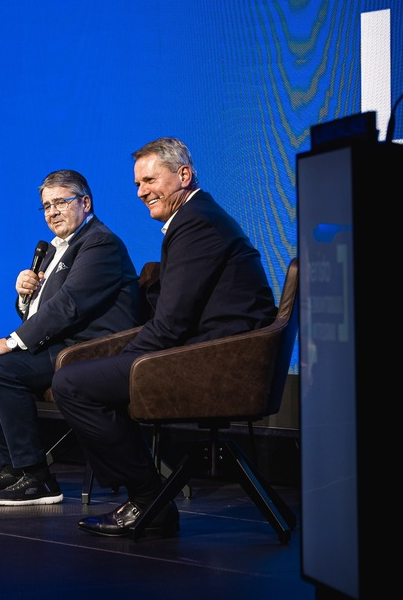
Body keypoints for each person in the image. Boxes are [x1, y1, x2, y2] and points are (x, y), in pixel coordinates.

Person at [51, 137, 278, 536]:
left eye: (150, 180)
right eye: (137, 184)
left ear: (184, 175)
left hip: (222, 361)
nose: (141, 192)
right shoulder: (194, 218)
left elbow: (171, 324)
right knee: (82, 374)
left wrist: (132, 362)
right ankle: (146, 496)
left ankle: (147, 498)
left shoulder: (196, 223)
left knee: (72, 383)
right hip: (207, 349)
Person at [0, 169, 141, 506]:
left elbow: (68, 307)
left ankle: (37, 476)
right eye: (46, 206)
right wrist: (25, 295)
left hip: (90, 349)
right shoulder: (57, 248)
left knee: (2, 368)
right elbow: (39, 313)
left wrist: (10, 341)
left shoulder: (100, 243)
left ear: (85, 202)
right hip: (59, 343)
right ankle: (10, 467)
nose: (52, 212)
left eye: (60, 202)